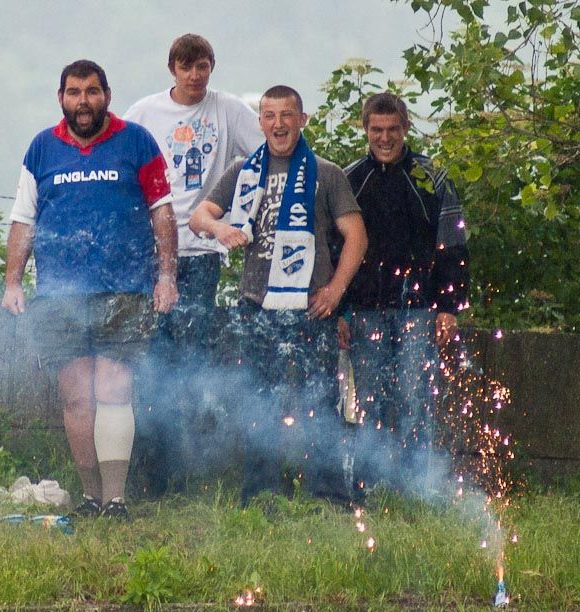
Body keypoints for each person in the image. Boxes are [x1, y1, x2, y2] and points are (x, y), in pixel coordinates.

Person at [2, 60, 178, 520]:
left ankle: (116, 500)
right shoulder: (42, 148)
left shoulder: (136, 141)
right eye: (75, 92)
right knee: (76, 397)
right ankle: (91, 496)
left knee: (114, 391)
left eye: (93, 91)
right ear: (60, 97)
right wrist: (13, 282)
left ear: (107, 95)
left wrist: (166, 275)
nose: (84, 101)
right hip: (59, 297)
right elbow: (24, 220)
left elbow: (162, 212)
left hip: (125, 291)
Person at [189, 85, 367, 504]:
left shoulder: (326, 173)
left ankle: (328, 494)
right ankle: (261, 491)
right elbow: (199, 216)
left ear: (302, 120)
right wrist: (221, 229)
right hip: (256, 305)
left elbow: (356, 236)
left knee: (321, 402)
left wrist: (336, 290)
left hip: (311, 308)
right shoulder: (242, 171)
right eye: (269, 116)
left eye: (287, 115)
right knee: (257, 402)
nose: (278, 124)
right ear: (260, 123)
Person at [123, 34, 263, 494]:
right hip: (151, 251)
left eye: (203, 66)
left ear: (212, 67)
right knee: (149, 360)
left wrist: (236, 213)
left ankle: (185, 472)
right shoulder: (145, 113)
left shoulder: (228, 110)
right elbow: (123, 169)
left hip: (202, 252)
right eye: (187, 68)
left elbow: (264, 158)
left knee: (190, 362)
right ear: (173, 70)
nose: (196, 75)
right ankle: (151, 475)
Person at [339, 92, 469, 491]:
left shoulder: (432, 178)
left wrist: (449, 307)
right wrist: (340, 312)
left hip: (419, 310)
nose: (384, 137)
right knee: (371, 403)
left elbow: (454, 245)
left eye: (392, 129)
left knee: (415, 401)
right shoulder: (349, 179)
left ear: (406, 128)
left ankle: (417, 488)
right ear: (365, 130)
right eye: (376, 130)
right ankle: (372, 487)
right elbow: (334, 249)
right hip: (364, 310)